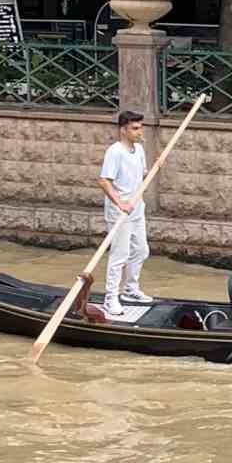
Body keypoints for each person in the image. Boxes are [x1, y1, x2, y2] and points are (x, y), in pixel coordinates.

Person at [97, 110, 152, 319]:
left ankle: (130, 289)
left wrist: (155, 167)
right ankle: (110, 298)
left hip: (137, 208)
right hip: (120, 211)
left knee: (141, 250)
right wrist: (120, 202)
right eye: (135, 128)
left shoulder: (138, 149)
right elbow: (104, 181)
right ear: (123, 130)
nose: (140, 132)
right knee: (120, 255)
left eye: (141, 127)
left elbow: (143, 174)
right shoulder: (115, 151)